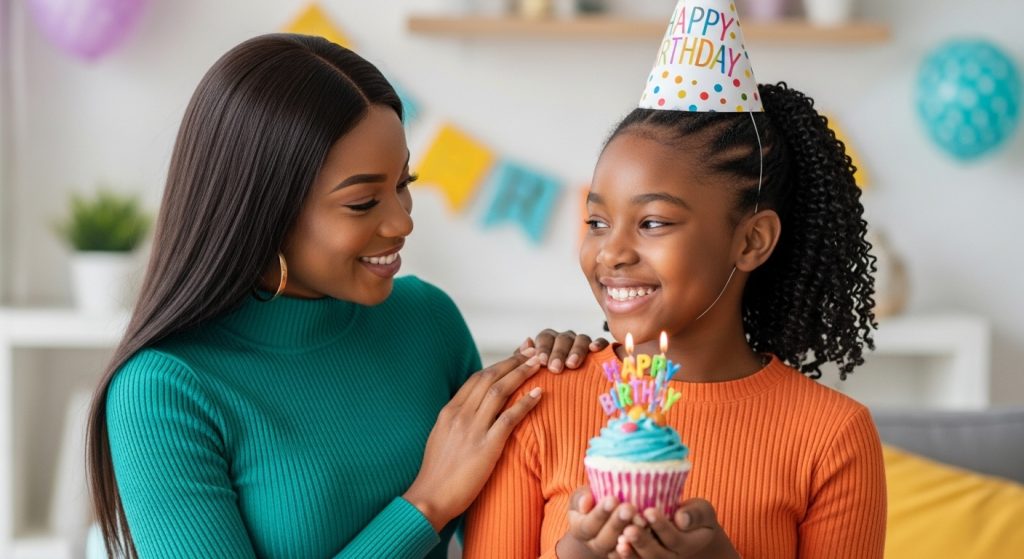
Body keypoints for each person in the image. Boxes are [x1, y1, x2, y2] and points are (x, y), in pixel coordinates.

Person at [85, 34, 603, 559]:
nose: (403, 220)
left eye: (405, 182)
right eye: (362, 202)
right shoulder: (163, 391)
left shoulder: (427, 320)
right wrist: (425, 505)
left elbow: (502, 543)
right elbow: (442, 500)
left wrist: (562, 390)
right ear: (266, 211)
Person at [463, 32, 886, 559]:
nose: (611, 252)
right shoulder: (535, 407)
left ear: (752, 240)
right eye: (597, 220)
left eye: (653, 222)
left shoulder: (832, 437)